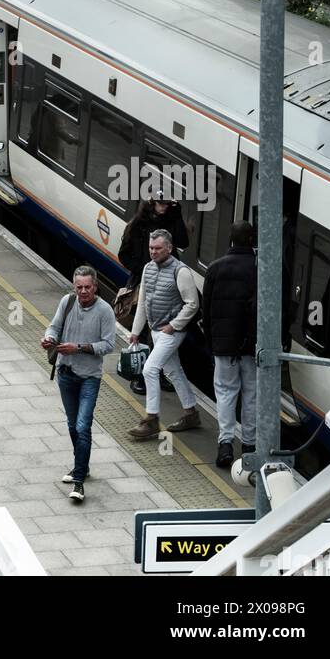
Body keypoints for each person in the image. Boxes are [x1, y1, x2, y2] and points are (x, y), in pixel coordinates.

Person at [42, 266, 116, 503]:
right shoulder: (67, 302)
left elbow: (109, 345)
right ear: (74, 286)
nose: (83, 291)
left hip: (89, 378)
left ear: (95, 286)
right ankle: (80, 465)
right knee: (73, 425)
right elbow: (54, 326)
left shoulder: (105, 311)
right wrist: (50, 338)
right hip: (65, 372)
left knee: (83, 426)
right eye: (79, 287)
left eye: (87, 287)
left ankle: (79, 481)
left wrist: (81, 347)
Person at [127, 229, 202, 440]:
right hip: (155, 330)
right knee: (173, 371)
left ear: (169, 248)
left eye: (157, 248)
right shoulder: (147, 269)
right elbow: (142, 301)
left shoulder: (181, 271)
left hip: (171, 332)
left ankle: (151, 420)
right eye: (151, 248)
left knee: (150, 369)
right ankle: (191, 413)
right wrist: (135, 332)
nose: (153, 252)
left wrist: (174, 325)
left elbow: (192, 304)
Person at [118, 191, 189, 393]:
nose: (164, 207)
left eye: (167, 203)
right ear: (151, 203)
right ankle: (141, 375)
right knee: (142, 331)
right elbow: (123, 254)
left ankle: (158, 373)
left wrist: (178, 215)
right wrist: (142, 270)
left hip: (167, 284)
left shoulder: (170, 222)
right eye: (161, 203)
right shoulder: (137, 225)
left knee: (160, 330)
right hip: (143, 281)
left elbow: (183, 242)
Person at [202, 220, 257, 468]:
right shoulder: (259, 269)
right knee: (251, 394)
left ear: (231, 240)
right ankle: (249, 445)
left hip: (224, 346)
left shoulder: (215, 268)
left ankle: (225, 445)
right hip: (251, 347)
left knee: (225, 392)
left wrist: (212, 343)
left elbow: (207, 311)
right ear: (252, 241)